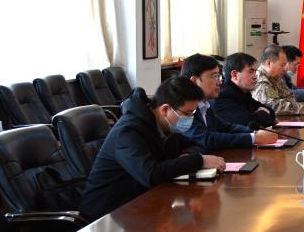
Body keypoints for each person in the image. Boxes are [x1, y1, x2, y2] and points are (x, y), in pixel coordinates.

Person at [80, 78, 226, 220]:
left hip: (141, 205)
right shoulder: (128, 131)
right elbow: (150, 175)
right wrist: (198, 160)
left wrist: (187, 155)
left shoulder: (165, 125)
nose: (190, 119)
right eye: (187, 114)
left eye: (193, 114)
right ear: (165, 109)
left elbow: (193, 144)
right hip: (106, 216)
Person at [179, 53, 279, 152]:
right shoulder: (181, 107)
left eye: (219, 76)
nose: (220, 82)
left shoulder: (204, 104)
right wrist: (253, 138)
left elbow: (226, 127)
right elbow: (207, 139)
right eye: (214, 77)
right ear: (195, 81)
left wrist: (255, 133)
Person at [252, 45, 304, 115]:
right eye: (282, 65)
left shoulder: (276, 78)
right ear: (269, 63)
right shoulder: (261, 81)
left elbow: (290, 97)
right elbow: (275, 107)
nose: (285, 69)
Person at [213, 52, 276, 129]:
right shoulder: (224, 96)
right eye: (251, 71)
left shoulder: (244, 93)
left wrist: (259, 114)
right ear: (234, 75)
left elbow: (271, 112)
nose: (255, 77)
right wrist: (262, 113)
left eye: (255, 72)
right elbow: (248, 124)